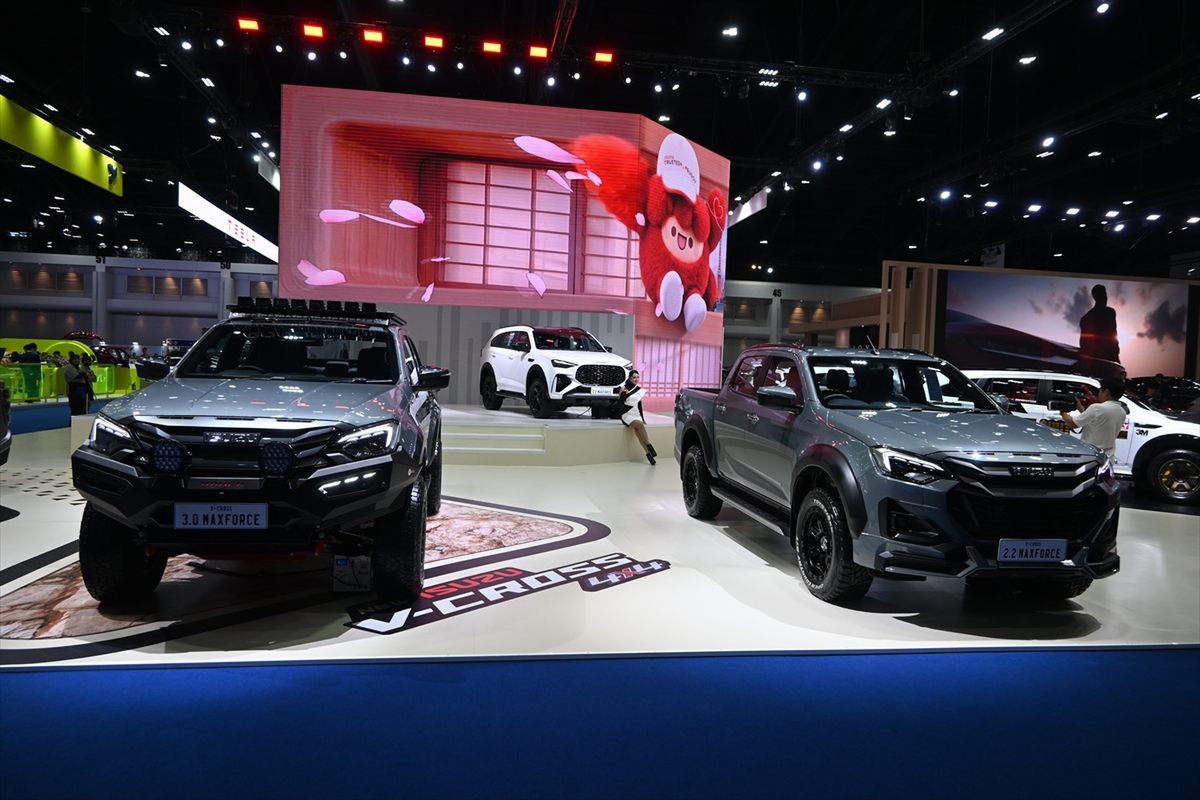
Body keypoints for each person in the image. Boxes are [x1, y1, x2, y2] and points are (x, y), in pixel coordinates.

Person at [1060, 377, 1127, 459]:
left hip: (1091, 455)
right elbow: (1094, 420)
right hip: (1108, 456)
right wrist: (1080, 407)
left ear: (1106, 392)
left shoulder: (1096, 408)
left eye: (1100, 390)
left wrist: (1062, 412)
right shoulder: (1122, 412)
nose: (1099, 394)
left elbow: (1073, 424)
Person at [1077, 284, 1120, 371]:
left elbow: (1114, 334)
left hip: (1106, 358)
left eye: (1105, 294)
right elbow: (1084, 343)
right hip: (1100, 360)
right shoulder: (1108, 313)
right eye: (1103, 294)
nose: (1105, 297)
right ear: (1096, 297)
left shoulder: (1109, 313)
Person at [618, 370, 657, 465]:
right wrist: (624, 394)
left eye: (638, 377)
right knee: (639, 425)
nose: (636, 379)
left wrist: (643, 418)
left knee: (638, 432)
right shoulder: (623, 388)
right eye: (634, 377)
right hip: (627, 414)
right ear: (630, 378)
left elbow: (640, 406)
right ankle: (649, 445)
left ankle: (648, 454)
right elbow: (619, 405)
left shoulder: (638, 390)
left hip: (636, 414)